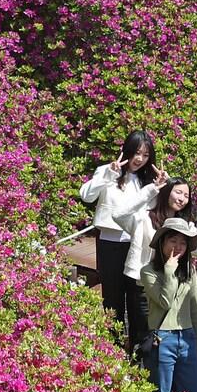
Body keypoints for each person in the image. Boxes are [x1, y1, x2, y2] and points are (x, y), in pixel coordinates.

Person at [79, 132, 166, 351]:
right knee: (112, 297)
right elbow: (86, 196)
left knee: (138, 299)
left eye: (146, 155)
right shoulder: (108, 171)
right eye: (137, 153)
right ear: (127, 150)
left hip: (138, 244)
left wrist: (162, 186)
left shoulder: (148, 180)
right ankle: (113, 350)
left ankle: (139, 350)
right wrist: (108, 175)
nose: (140, 159)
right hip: (110, 242)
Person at [138, 217, 197, 392]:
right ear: (162, 243)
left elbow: (196, 308)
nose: (178, 247)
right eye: (173, 241)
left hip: (186, 337)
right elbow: (165, 301)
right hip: (162, 338)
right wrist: (169, 270)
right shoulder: (148, 272)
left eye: (183, 243)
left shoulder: (190, 271)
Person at [112, 176, 197, 285]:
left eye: (186, 196)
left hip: (174, 284)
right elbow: (118, 215)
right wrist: (152, 190)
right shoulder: (143, 219)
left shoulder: (186, 226)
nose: (182, 199)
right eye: (178, 192)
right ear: (166, 192)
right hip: (144, 284)